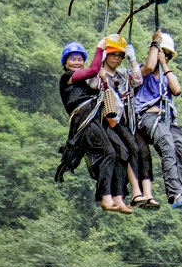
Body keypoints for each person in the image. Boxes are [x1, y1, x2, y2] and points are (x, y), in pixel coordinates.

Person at [57, 37, 133, 215]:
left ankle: (118, 197)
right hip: (84, 121)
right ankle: (106, 198)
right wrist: (100, 48)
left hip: (95, 120)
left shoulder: (83, 85)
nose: (76, 62)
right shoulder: (67, 78)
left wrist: (105, 80)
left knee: (121, 152)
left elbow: (95, 79)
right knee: (108, 152)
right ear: (65, 63)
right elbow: (92, 70)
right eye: (72, 59)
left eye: (79, 59)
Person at [135, 29, 182, 211]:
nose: (163, 56)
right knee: (167, 144)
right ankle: (175, 194)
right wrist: (155, 43)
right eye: (161, 52)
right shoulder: (142, 71)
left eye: (166, 54)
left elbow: (177, 90)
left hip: (167, 118)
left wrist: (164, 65)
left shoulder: (167, 76)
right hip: (149, 116)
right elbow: (150, 67)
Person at [97, 34, 160, 210]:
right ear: (106, 56)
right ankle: (135, 191)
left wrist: (133, 60)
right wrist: (99, 59)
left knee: (138, 150)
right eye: (112, 55)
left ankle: (139, 192)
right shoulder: (100, 74)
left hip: (124, 120)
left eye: (119, 56)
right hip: (109, 121)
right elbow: (93, 82)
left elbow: (138, 80)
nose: (116, 59)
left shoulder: (122, 76)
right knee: (129, 149)